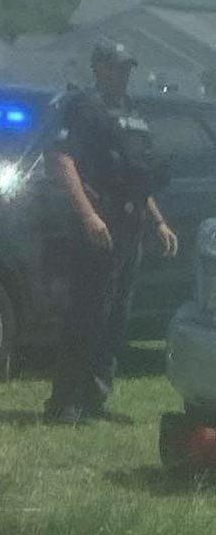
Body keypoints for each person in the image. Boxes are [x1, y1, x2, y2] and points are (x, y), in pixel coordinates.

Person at [44, 40, 179, 426]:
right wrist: (88, 216)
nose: (124, 74)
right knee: (88, 313)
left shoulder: (132, 111)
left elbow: (139, 174)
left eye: (128, 67)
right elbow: (63, 161)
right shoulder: (83, 107)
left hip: (131, 222)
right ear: (99, 67)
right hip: (100, 223)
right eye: (118, 66)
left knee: (115, 317)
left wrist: (158, 220)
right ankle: (65, 403)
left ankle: (95, 399)